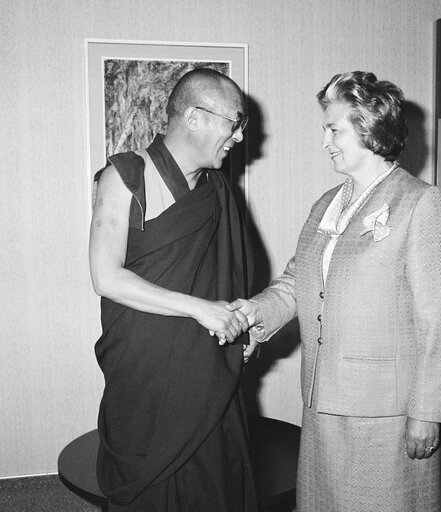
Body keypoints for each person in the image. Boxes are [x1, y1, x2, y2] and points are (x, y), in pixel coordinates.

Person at [229, 71, 441, 511]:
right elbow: (298, 281)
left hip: (386, 412)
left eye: (333, 129)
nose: (325, 141)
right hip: (323, 401)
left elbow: (440, 318)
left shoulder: (421, 202)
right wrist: (252, 315)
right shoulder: (326, 203)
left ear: (370, 126)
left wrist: (427, 412)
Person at [89, 68, 257, 512]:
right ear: (195, 117)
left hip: (208, 371)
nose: (239, 137)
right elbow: (106, 276)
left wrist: (240, 325)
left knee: (215, 486)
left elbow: (233, 276)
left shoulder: (219, 192)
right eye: (235, 123)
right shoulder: (126, 177)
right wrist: (200, 309)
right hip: (144, 371)